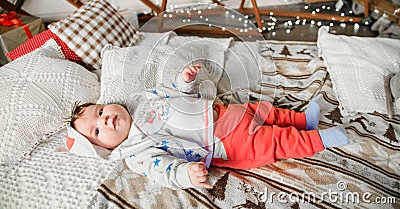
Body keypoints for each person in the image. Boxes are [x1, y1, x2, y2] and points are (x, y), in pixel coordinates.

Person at [67, 64, 349, 190]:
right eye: (96, 131)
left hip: (222, 112)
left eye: (100, 111)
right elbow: (163, 171)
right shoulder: (136, 154)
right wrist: (186, 173)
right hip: (221, 142)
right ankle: (318, 140)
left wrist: (184, 81)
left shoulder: (142, 101)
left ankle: (302, 121)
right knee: (271, 140)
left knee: (264, 111)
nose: (104, 120)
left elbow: (174, 92)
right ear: (103, 148)